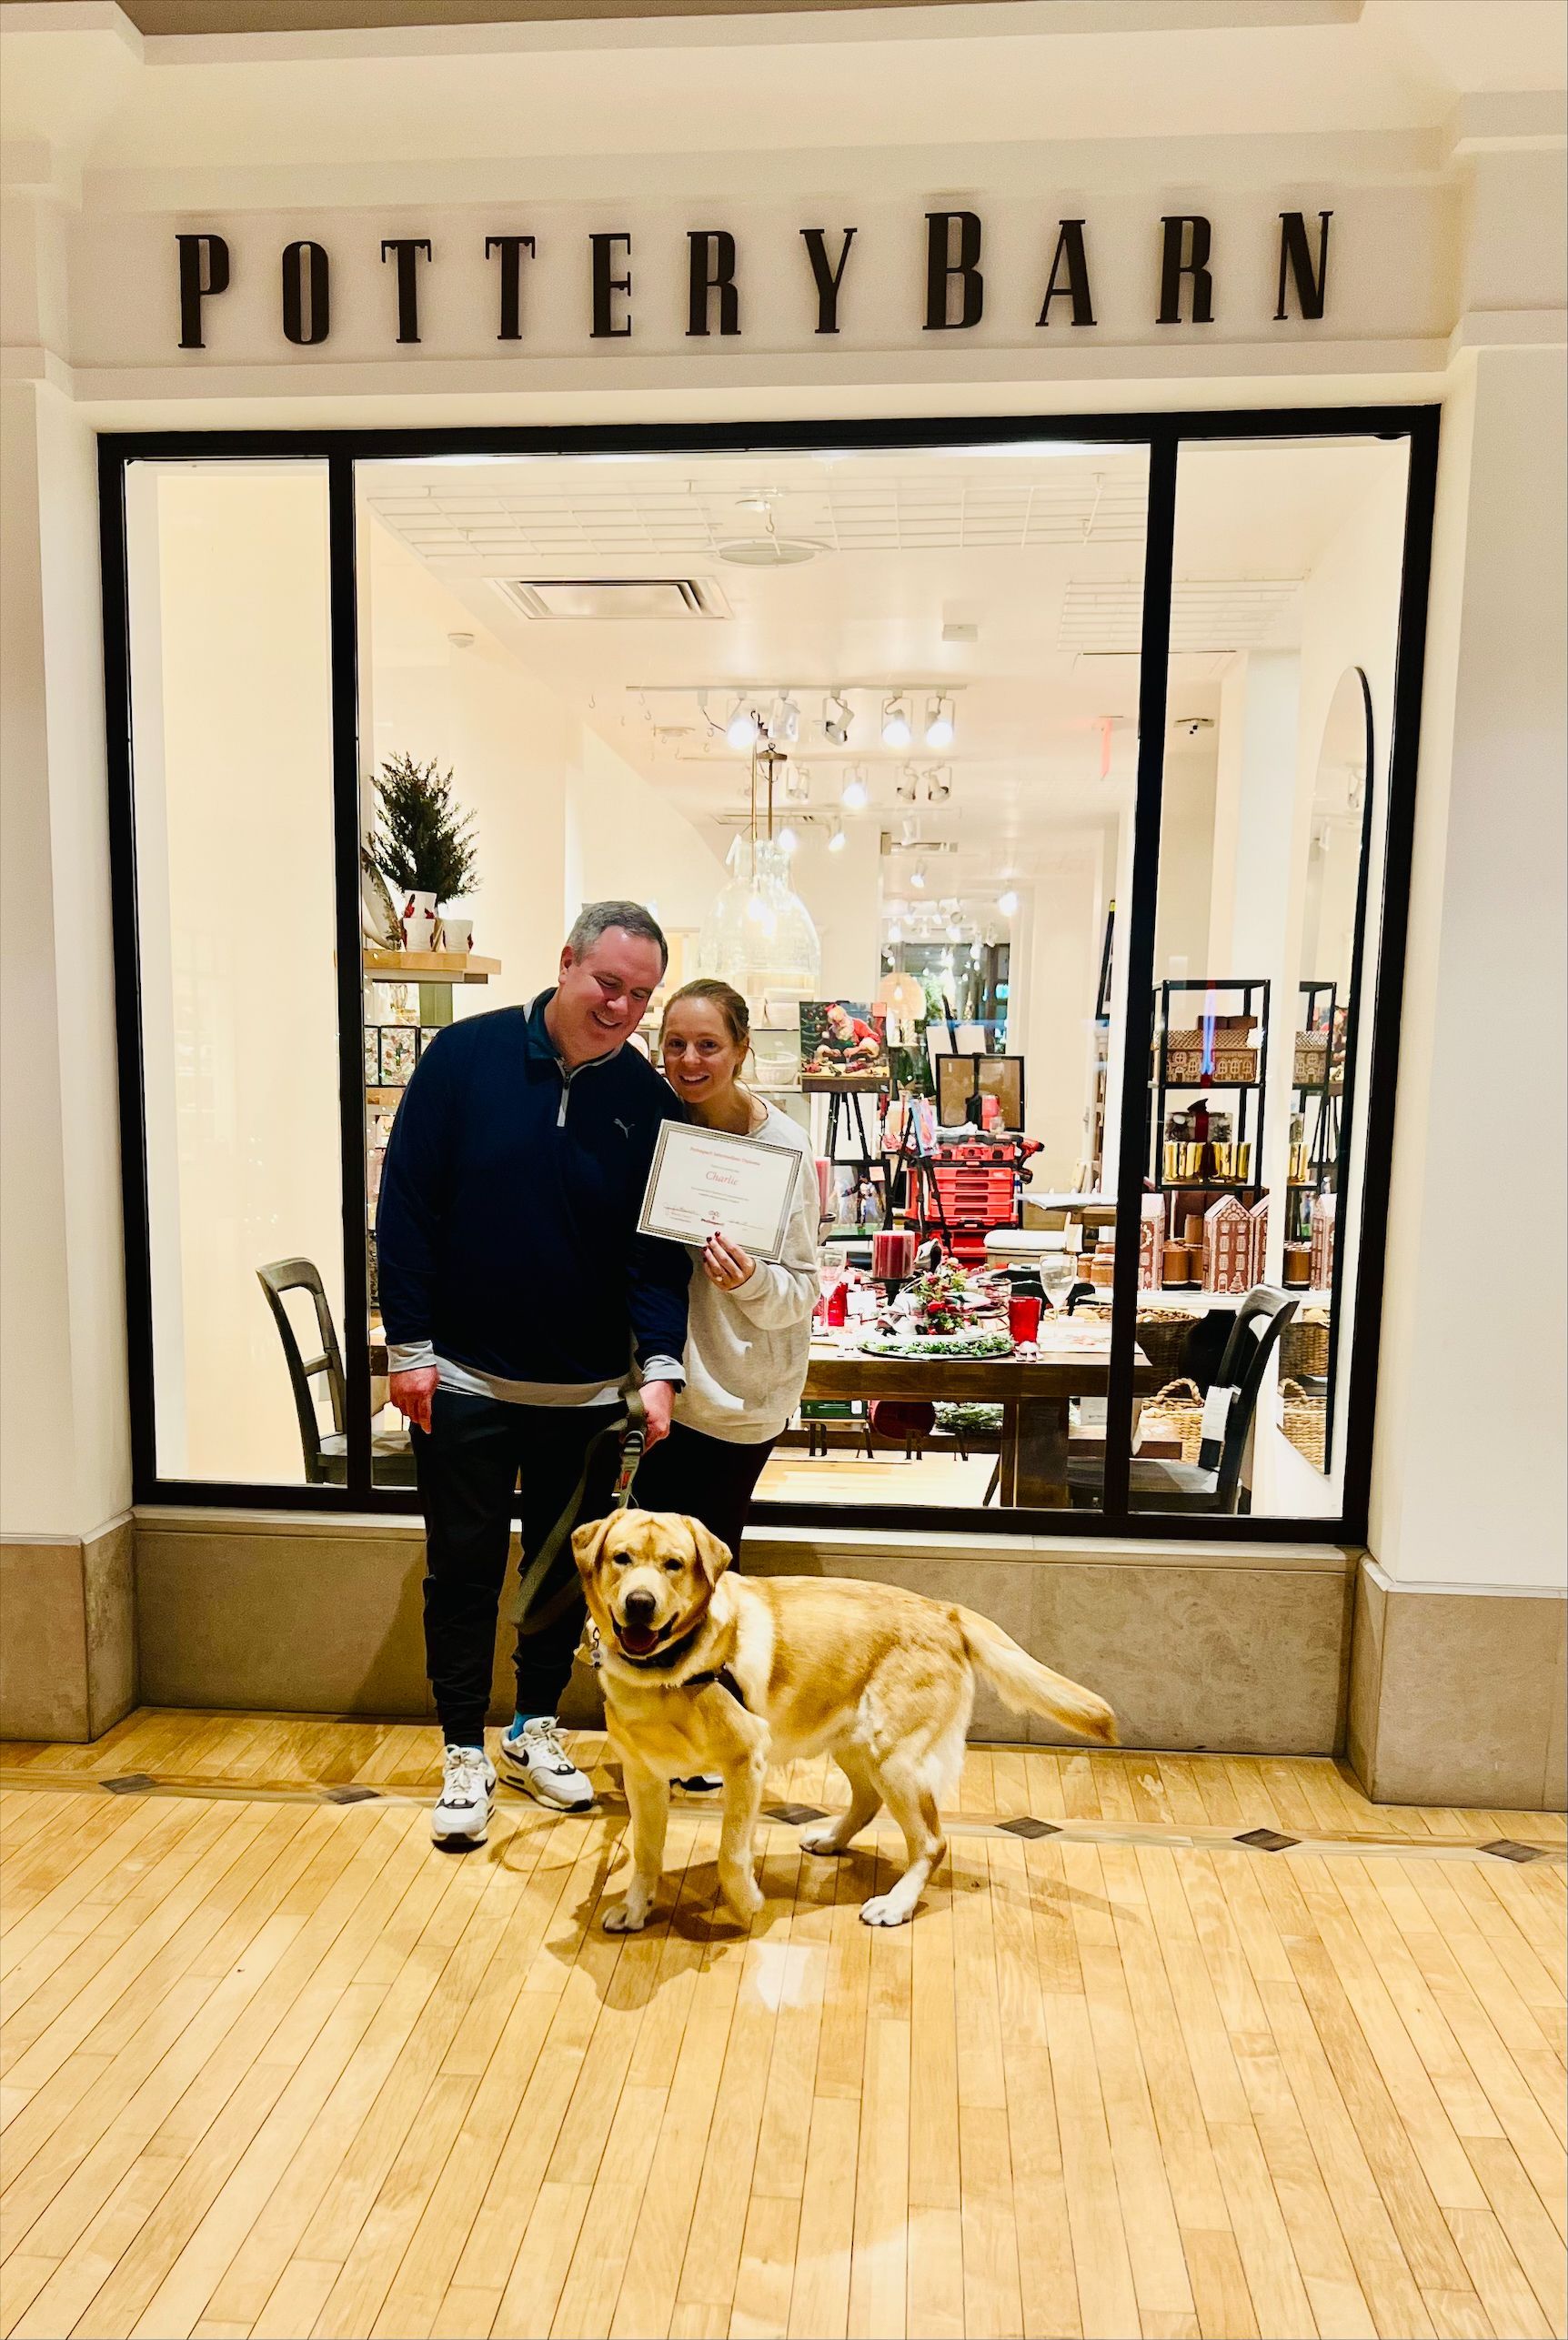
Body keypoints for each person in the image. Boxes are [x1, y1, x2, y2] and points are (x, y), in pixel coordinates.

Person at [377, 901, 689, 1845]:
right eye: (609, 983)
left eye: (640, 994)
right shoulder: (462, 1061)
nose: (623, 1007)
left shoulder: (646, 1101)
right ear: (566, 963)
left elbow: (654, 1251)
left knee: (563, 1577)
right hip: (463, 1379)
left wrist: (660, 1364)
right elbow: (408, 1207)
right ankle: (463, 1747)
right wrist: (410, 1347)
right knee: (462, 1571)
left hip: (588, 1391)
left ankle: (532, 1726)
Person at [633, 978, 819, 1559]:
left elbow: (803, 1288)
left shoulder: (784, 1146)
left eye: (708, 1045)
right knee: (647, 1578)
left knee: (706, 1581)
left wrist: (750, 1281)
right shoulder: (652, 1130)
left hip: (739, 1403)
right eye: (675, 1044)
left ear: (741, 1049)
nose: (689, 1060)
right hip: (660, 1391)